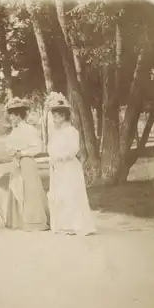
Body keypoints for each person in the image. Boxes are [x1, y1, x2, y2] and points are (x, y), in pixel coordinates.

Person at [47, 93, 96, 236]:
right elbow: (51, 148)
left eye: (57, 116)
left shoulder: (71, 132)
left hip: (68, 166)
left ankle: (75, 224)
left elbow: (73, 149)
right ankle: (63, 224)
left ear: (63, 116)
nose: (55, 119)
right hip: (58, 167)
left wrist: (60, 156)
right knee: (60, 194)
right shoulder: (56, 133)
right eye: (54, 116)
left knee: (71, 193)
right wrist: (54, 158)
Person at [5, 97, 49, 231]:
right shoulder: (15, 130)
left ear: (19, 115)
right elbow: (9, 147)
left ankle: (33, 221)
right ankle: (18, 220)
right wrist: (13, 152)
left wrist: (22, 153)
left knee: (29, 189)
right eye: (10, 115)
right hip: (17, 163)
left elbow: (38, 148)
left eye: (13, 115)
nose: (11, 117)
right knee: (17, 187)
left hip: (27, 163)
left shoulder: (30, 130)